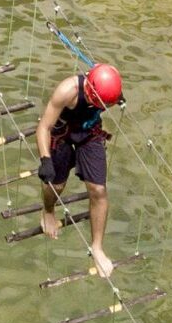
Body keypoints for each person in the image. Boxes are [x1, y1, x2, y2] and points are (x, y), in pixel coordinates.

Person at [37, 63, 122, 279]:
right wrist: (45, 159)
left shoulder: (110, 92)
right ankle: (47, 212)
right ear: (89, 91)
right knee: (56, 185)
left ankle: (97, 247)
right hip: (61, 133)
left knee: (99, 191)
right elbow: (44, 127)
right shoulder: (67, 91)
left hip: (88, 132)